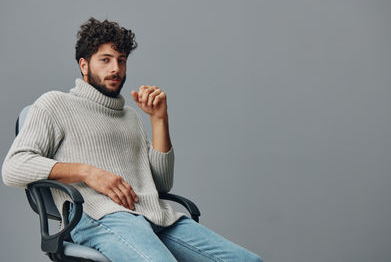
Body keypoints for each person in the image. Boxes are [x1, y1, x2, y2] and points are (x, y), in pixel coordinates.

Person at [2, 17, 263, 262]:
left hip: (155, 215)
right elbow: (13, 168)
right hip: (97, 215)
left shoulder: (130, 117)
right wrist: (88, 173)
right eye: (105, 59)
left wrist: (159, 119)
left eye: (121, 60)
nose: (115, 68)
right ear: (84, 65)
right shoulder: (54, 104)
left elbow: (160, 184)